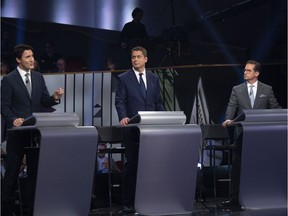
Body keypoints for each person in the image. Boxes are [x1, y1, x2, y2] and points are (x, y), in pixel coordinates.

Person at [1, 44, 64, 216]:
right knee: (12, 174)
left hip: (35, 133)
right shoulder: (8, 79)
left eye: (32, 56)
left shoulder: (38, 77)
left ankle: (31, 210)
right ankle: (5, 209)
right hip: (17, 133)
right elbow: (4, 107)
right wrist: (14, 120)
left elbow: (43, 101)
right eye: (28, 57)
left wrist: (54, 98)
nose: (32, 59)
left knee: (34, 174)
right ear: (18, 59)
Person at [221, 60, 281, 210]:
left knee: (261, 166)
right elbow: (231, 106)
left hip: (261, 136)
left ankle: (263, 195)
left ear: (256, 73)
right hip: (242, 134)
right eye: (244, 70)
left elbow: (275, 108)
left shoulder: (267, 89)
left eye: (248, 70)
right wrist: (228, 118)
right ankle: (234, 199)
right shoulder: (237, 89)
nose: (245, 72)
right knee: (237, 166)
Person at [115, 46, 165, 213]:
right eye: (133, 57)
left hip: (151, 129)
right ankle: (128, 202)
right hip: (132, 129)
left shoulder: (154, 78)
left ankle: (150, 198)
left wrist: (164, 119)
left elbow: (158, 102)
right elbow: (120, 101)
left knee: (151, 165)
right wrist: (123, 116)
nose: (135, 59)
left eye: (138, 57)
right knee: (133, 164)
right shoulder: (123, 78)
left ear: (146, 59)